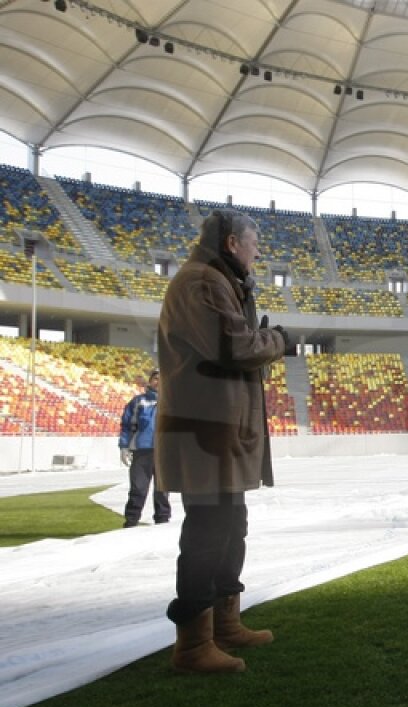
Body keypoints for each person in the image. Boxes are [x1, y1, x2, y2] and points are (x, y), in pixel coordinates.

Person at [156, 208, 290, 674]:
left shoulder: (219, 281)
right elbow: (234, 348)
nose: (257, 254)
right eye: (254, 245)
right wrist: (275, 339)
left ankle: (224, 625)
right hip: (204, 429)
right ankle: (192, 646)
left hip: (219, 428)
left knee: (231, 527)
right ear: (232, 243)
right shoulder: (201, 282)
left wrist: (259, 334)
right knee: (208, 532)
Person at [117, 369, 170, 528]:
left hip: (164, 452)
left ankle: (162, 521)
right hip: (142, 451)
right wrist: (124, 446)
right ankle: (131, 521)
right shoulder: (138, 402)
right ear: (150, 381)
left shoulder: (172, 402)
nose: (158, 382)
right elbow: (126, 425)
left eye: (162, 379)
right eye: (155, 378)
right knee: (138, 489)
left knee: (162, 491)